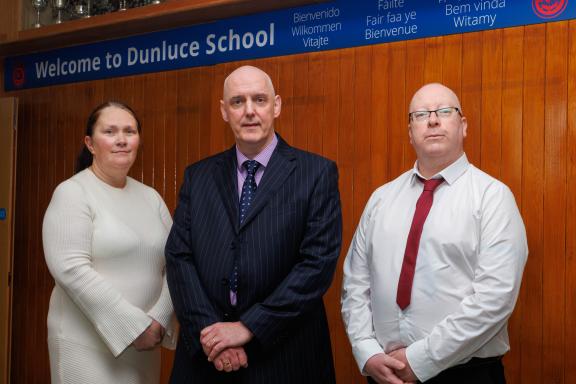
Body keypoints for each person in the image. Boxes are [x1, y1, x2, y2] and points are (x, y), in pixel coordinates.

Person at [165, 65, 342, 383]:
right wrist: (214, 337)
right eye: (237, 102)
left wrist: (248, 328)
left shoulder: (316, 174)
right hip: (206, 361)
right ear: (223, 110)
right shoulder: (198, 177)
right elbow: (179, 258)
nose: (249, 111)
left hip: (285, 358)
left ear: (276, 106)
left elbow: (316, 266)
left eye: (259, 100)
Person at [341, 83, 528, 384]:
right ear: (410, 132)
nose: (432, 120)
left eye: (444, 111)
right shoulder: (381, 199)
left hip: (466, 374)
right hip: (384, 374)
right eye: (420, 114)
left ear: (463, 125)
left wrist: (421, 359)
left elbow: (495, 297)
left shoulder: (492, 197)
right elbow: (355, 282)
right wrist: (366, 350)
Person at [42, 101, 176, 384]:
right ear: (90, 143)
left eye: (130, 131)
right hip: (86, 345)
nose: (122, 140)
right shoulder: (72, 193)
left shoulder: (151, 198)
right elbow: (70, 269)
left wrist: (159, 320)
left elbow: (177, 261)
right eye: (110, 131)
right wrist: (133, 326)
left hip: (146, 344)